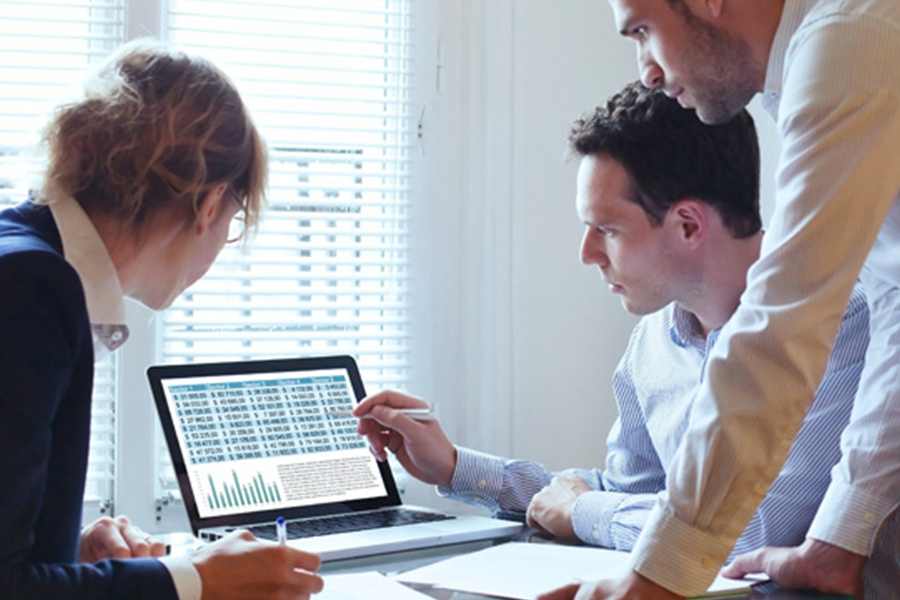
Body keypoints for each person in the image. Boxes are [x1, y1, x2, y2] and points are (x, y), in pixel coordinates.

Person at [353, 82, 868, 567]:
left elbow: (753, 533)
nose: (587, 254)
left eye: (607, 230)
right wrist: (454, 467)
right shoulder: (653, 343)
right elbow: (627, 499)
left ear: (688, 225)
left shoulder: (841, 323)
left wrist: (581, 513)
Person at [541, 1, 900, 598]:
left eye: (643, 31)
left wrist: (655, 579)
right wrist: (836, 542)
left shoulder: (849, 40)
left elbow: (782, 328)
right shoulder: (819, 63)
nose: (647, 71)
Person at [0, 41, 323, 599]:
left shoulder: (22, 256)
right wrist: (193, 580)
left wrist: (73, 552)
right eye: (235, 220)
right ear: (209, 204)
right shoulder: (33, 288)